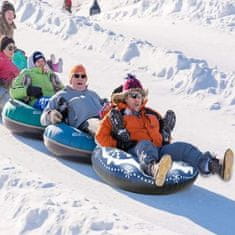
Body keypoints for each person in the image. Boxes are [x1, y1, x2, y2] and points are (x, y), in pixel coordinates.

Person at [95, 75, 234, 187]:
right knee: (145, 145)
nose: (138, 99)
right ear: (125, 97)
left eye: (140, 95)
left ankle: (214, 165)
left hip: (160, 150)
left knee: (183, 148)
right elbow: (100, 137)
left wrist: (166, 136)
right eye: (133, 95)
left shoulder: (152, 114)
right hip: (135, 149)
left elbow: (160, 136)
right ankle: (154, 169)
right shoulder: (117, 115)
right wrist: (120, 144)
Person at [40, 64, 107, 136]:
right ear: (71, 79)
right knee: (99, 127)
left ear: (86, 79)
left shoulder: (93, 94)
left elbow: (104, 105)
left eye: (83, 76)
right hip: (87, 123)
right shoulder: (61, 95)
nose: (80, 78)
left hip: (105, 120)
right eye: (76, 76)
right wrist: (52, 115)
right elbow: (43, 119)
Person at [0, 36, 19, 111]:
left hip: (13, 91)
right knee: (13, 109)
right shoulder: (1, 59)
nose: (12, 51)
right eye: (10, 48)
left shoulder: (11, 63)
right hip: (3, 92)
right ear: (3, 48)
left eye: (14, 48)